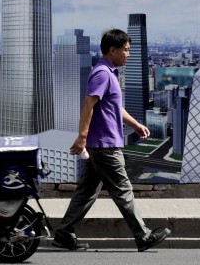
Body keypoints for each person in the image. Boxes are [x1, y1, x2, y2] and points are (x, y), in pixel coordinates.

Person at [51, 28, 172, 253]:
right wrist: (82, 137)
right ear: (112, 49)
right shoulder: (102, 73)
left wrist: (135, 124)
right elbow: (89, 103)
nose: (128, 54)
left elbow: (114, 106)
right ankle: (142, 235)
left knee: (86, 192)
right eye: (126, 50)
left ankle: (64, 233)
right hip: (105, 145)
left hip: (101, 145)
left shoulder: (110, 72)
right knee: (123, 189)